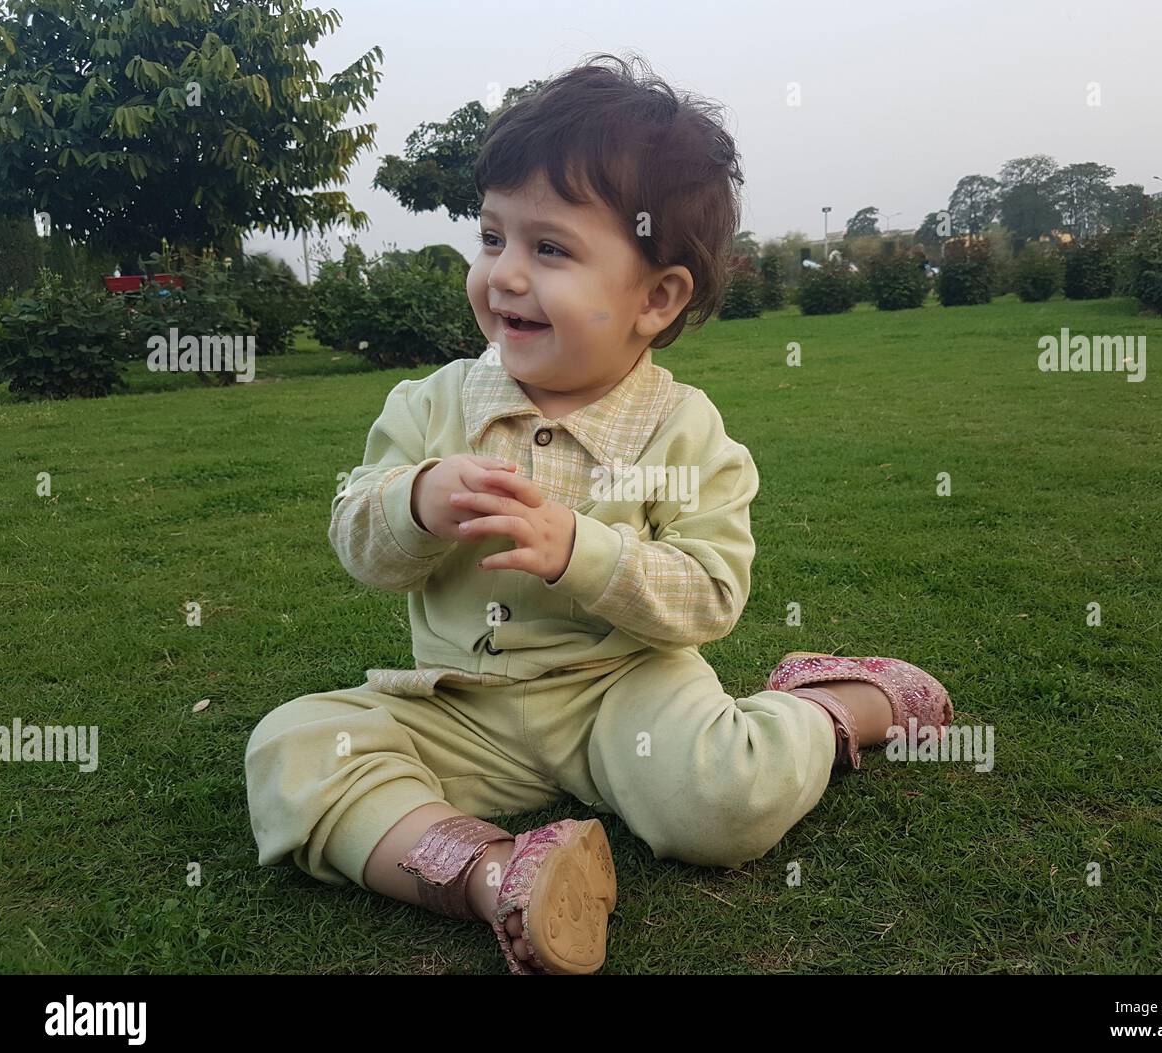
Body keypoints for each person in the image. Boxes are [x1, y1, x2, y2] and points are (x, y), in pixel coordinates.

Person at [245, 52, 953, 976]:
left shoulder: (684, 430)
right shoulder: (433, 406)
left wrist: (581, 550)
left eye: (549, 249)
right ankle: (499, 877)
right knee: (292, 743)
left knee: (723, 801)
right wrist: (414, 501)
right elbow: (358, 542)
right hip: (464, 708)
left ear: (655, 299)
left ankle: (836, 707)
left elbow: (710, 596)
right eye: (492, 236)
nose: (502, 275)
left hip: (626, 696)